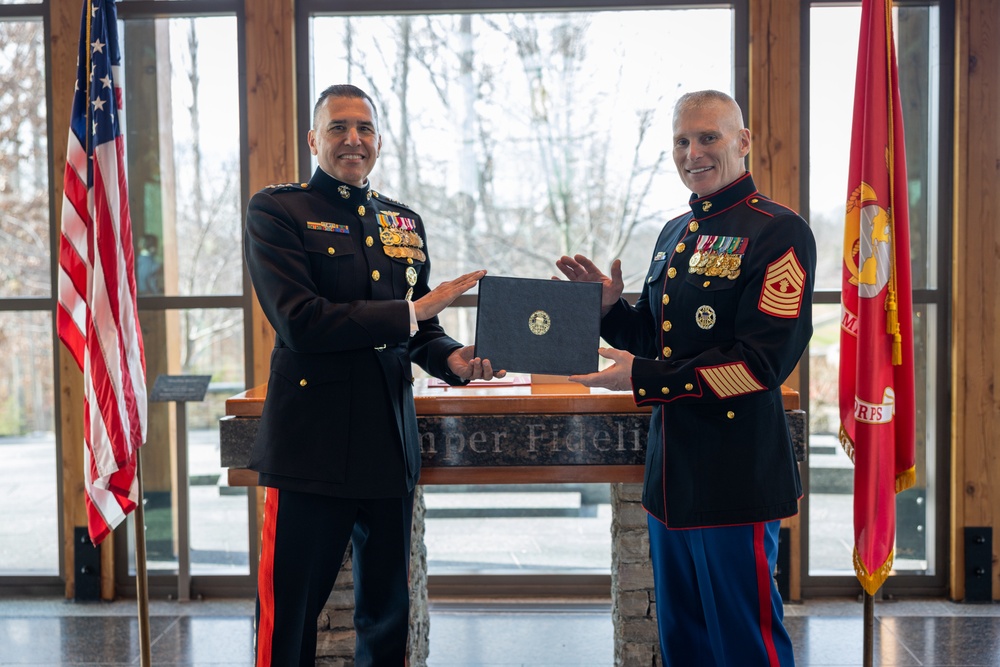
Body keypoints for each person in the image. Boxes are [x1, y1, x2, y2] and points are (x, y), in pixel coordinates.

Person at [244, 83, 504, 667]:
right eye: (338, 127)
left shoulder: (401, 222)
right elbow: (300, 322)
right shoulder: (277, 211)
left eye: (363, 128)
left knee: (388, 616)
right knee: (287, 616)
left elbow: (417, 329)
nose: (352, 139)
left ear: (379, 142)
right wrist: (417, 313)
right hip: (310, 445)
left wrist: (453, 359)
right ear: (314, 139)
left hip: (388, 442)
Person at [556, 90, 815, 666]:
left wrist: (643, 378)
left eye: (708, 137)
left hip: (735, 472)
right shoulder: (675, 232)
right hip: (671, 475)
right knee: (684, 641)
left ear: (742, 142)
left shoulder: (779, 232)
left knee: (745, 641)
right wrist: (608, 311)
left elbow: (760, 364)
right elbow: (658, 338)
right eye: (681, 141)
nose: (692, 152)